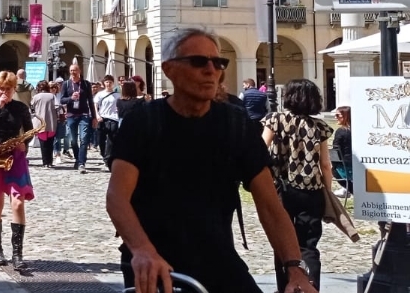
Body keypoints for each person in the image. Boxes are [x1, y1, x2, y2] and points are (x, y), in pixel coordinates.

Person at [106, 27, 318, 293]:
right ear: (169, 70)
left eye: (218, 62)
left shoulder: (236, 123)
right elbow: (116, 196)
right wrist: (141, 249)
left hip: (217, 258)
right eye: (198, 61)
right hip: (152, 261)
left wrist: (295, 270)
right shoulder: (143, 121)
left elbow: (270, 206)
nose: (210, 69)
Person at [262, 79, 333, 293]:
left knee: (282, 241)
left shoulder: (275, 120)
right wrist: (327, 191)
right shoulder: (319, 126)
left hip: (280, 190)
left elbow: (260, 149)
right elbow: (326, 165)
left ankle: (285, 286)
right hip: (310, 191)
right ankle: (312, 287)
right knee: (308, 244)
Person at [0, 71, 35, 270]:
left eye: (8, 89)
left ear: (14, 89)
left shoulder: (20, 108)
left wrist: (24, 143)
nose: (4, 92)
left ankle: (17, 254)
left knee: (18, 203)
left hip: (14, 155)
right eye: (1, 88)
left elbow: (28, 131)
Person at [59, 64, 95, 173]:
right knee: (73, 140)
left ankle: (81, 163)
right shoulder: (66, 84)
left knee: (84, 139)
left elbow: (91, 101)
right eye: (71, 70)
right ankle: (77, 159)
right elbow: (62, 100)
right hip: (71, 115)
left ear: (79, 70)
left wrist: (94, 117)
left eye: (75, 70)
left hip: (84, 114)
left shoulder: (85, 84)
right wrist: (71, 98)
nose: (73, 72)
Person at [30, 81, 58, 168]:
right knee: (50, 143)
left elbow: (31, 108)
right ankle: (50, 161)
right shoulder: (52, 96)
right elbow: (57, 106)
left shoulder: (35, 97)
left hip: (39, 123)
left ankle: (45, 162)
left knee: (43, 144)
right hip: (51, 122)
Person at [94, 75, 120, 165]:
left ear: (113, 83)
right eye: (107, 82)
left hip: (114, 118)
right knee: (101, 138)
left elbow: (120, 106)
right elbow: (95, 106)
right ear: (104, 83)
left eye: (110, 82)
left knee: (111, 139)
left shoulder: (117, 95)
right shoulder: (100, 94)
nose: (108, 84)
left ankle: (107, 157)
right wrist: (97, 115)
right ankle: (103, 154)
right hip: (102, 118)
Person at [333, 106, 353, 194]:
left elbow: (336, 150)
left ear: (346, 116)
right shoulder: (357, 130)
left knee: (333, 171)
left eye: (338, 115)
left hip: (345, 166)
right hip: (357, 165)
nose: (335, 117)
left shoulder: (340, 131)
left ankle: (349, 189)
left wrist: (333, 164)